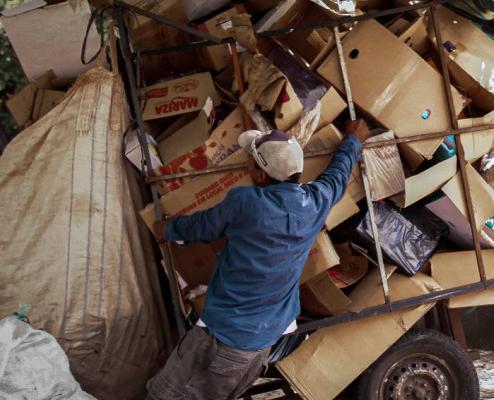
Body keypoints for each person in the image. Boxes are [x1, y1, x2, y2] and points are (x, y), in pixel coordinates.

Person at [146, 119, 369, 400]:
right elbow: (337, 177)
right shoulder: (314, 203)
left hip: (222, 342)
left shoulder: (246, 203)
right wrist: (353, 141)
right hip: (261, 346)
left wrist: (165, 230)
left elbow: (202, 226)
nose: (246, 165)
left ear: (261, 176)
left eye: (250, 161)